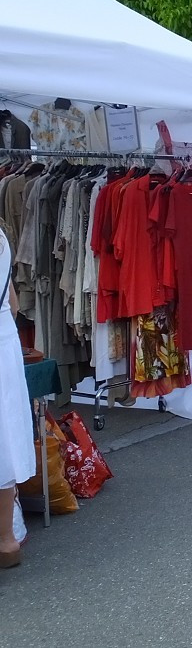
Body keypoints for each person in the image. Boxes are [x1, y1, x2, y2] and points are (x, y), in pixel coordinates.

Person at [1, 229, 34, 569]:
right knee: (4, 442)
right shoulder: (1, 237)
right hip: (4, 347)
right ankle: (7, 540)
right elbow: (12, 304)